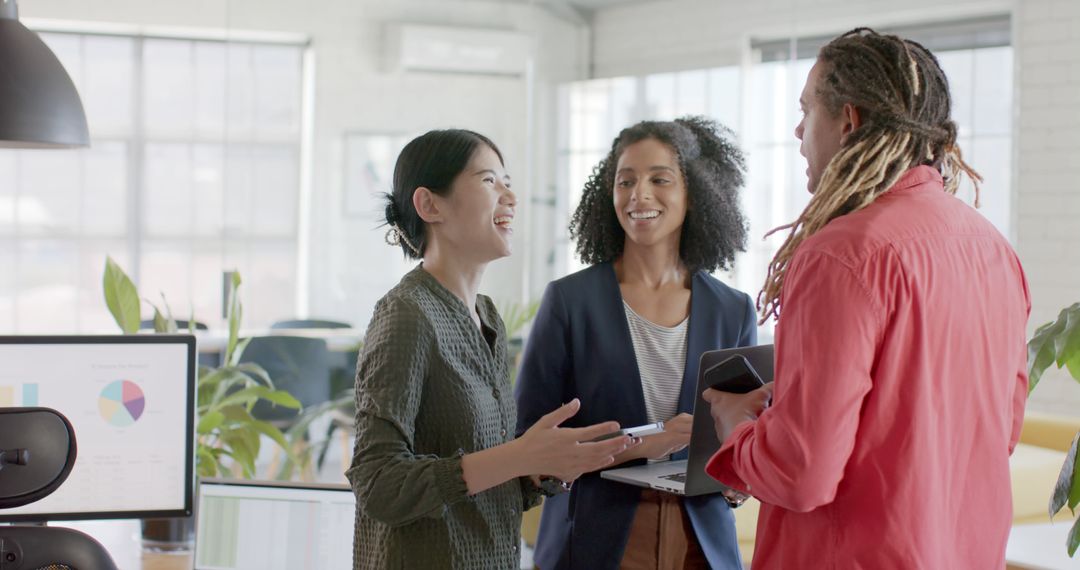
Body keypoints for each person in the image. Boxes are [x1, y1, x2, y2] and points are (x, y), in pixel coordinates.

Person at [702, 28, 1030, 569]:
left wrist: (738, 427)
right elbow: (999, 434)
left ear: (848, 122)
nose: (797, 130)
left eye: (807, 111)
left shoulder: (840, 254)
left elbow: (800, 472)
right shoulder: (995, 250)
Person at [346, 129, 639, 570]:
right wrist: (518, 455)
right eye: (489, 181)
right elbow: (378, 485)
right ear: (430, 205)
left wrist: (540, 469)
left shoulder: (487, 318)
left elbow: (480, 484)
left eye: (507, 180)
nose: (510, 196)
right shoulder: (407, 315)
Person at [516, 116, 756, 570]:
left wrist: (738, 478)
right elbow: (531, 446)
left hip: (701, 547)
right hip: (593, 545)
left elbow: (743, 437)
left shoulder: (734, 309)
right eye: (625, 181)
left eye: (659, 179)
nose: (639, 194)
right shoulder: (569, 302)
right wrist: (642, 444)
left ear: (693, 191)